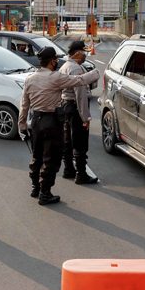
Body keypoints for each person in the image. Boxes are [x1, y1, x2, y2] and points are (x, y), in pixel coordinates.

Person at [18, 46, 100, 205]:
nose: (56, 62)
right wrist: (96, 72)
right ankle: (45, 193)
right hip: (51, 121)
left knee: (37, 156)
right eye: (55, 59)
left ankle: (35, 187)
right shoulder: (55, 77)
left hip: (35, 121)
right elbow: (80, 81)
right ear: (52, 61)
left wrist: (22, 125)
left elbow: (24, 105)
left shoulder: (30, 79)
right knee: (51, 159)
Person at [60, 40, 98, 184]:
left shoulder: (64, 66)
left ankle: (68, 169)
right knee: (80, 142)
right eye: (84, 52)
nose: (86, 55)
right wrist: (85, 118)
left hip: (65, 107)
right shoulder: (76, 69)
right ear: (77, 53)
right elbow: (80, 96)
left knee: (67, 141)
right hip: (75, 109)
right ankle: (81, 174)